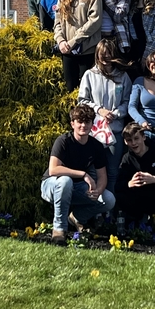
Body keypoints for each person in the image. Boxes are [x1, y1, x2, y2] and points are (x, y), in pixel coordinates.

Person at [40, 104, 116, 243]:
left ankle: (77, 217)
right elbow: (53, 170)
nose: (83, 125)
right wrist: (83, 174)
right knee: (65, 181)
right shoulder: (63, 141)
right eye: (79, 122)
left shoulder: (96, 146)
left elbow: (102, 176)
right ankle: (59, 229)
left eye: (87, 122)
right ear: (72, 124)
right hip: (51, 185)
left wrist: (98, 191)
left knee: (109, 199)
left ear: (92, 124)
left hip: (76, 188)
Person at [78, 39, 132, 194]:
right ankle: (95, 203)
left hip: (115, 131)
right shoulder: (90, 75)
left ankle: (110, 205)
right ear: (97, 55)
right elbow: (82, 100)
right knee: (93, 172)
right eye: (103, 54)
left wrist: (115, 114)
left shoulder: (123, 76)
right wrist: (99, 110)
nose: (106, 56)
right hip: (94, 133)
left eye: (109, 53)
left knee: (113, 171)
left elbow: (128, 101)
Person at [53, 0, 102, 90]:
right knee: (70, 90)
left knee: (85, 90)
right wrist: (61, 41)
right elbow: (57, 22)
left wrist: (74, 41)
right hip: (67, 51)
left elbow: (95, 21)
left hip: (86, 51)